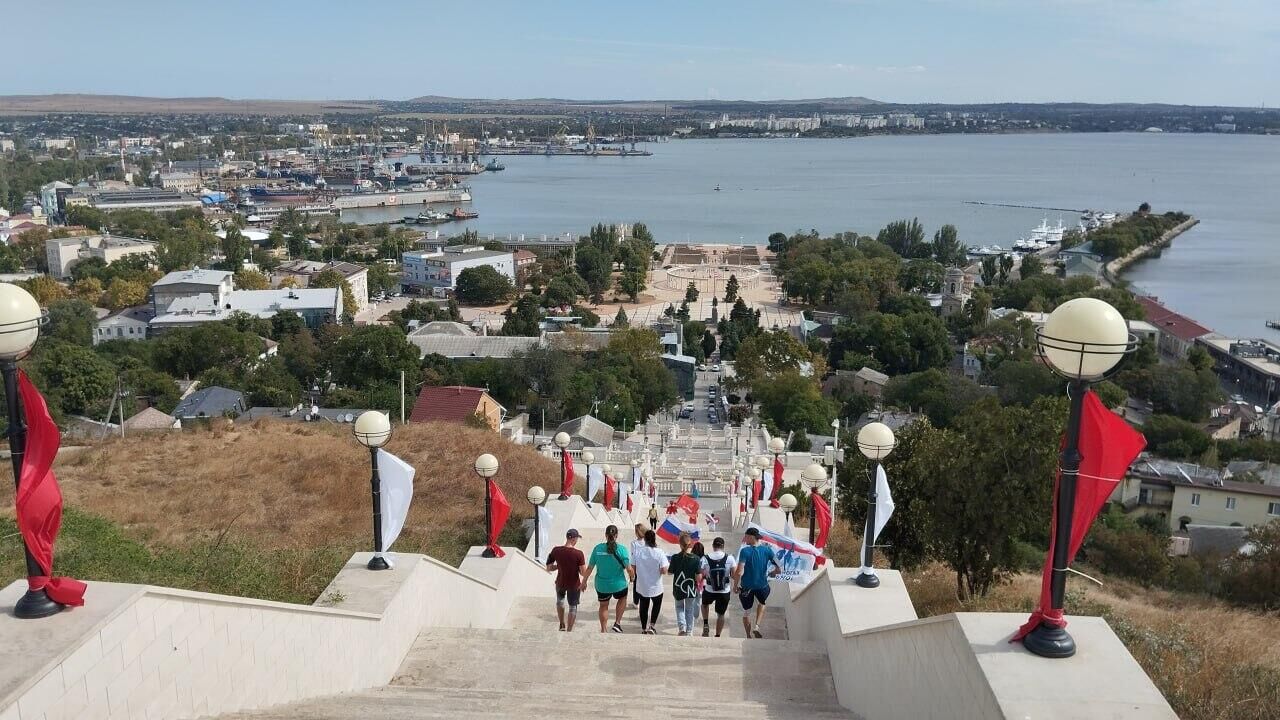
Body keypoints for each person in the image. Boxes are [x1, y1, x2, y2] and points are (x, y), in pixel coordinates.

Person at [581, 524, 634, 633]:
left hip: (602, 585)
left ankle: (604, 629)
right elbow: (629, 568)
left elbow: (590, 568)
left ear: (605, 535)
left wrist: (584, 582)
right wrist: (632, 576)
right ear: (616, 536)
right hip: (619, 584)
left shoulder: (597, 549)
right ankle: (617, 623)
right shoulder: (622, 549)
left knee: (603, 606)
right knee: (622, 598)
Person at [733, 527, 782, 639]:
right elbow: (780, 568)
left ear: (751, 537)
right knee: (762, 603)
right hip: (762, 586)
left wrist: (735, 586)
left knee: (747, 612)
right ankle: (757, 626)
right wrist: (773, 573)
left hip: (746, 587)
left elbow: (739, 572)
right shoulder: (767, 550)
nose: (744, 539)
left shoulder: (745, 551)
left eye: (745, 536)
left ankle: (748, 636)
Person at [544, 529, 585, 632]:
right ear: (574, 539)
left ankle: (562, 623)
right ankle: (569, 630)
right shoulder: (579, 554)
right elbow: (583, 573)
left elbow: (548, 567)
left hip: (560, 582)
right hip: (574, 585)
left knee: (560, 602)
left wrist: (559, 566)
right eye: (577, 539)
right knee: (572, 608)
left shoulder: (556, 550)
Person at [630, 529, 669, 634]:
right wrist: (657, 571)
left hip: (642, 585)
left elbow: (632, 568)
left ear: (645, 539)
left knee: (643, 606)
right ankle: (652, 626)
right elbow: (664, 570)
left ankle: (643, 628)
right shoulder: (659, 552)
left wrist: (637, 574)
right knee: (656, 605)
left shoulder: (638, 552)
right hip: (656, 586)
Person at [700, 536, 737, 637]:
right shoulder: (730, 558)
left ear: (713, 546)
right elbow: (734, 575)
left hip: (709, 590)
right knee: (721, 615)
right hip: (724, 591)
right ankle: (717, 635)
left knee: (704, 605)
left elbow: (701, 574)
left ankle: (706, 623)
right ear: (723, 546)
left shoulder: (705, 558)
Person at [669, 533, 703, 636]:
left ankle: (682, 627)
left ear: (680, 544)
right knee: (690, 609)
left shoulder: (675, 557)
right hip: (690, 588)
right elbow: (698, 577)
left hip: (678, 587)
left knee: (679, 607)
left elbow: (670, 572)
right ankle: (689, 631)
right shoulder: (696, 559)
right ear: (691, 544)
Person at [630, 523, 647, 609]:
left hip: (637, 567)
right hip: (646, 567)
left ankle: (636, 602)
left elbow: (633, 557)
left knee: (636, 585)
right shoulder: (648, 542)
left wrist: (631, 573)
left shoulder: (634, 543)